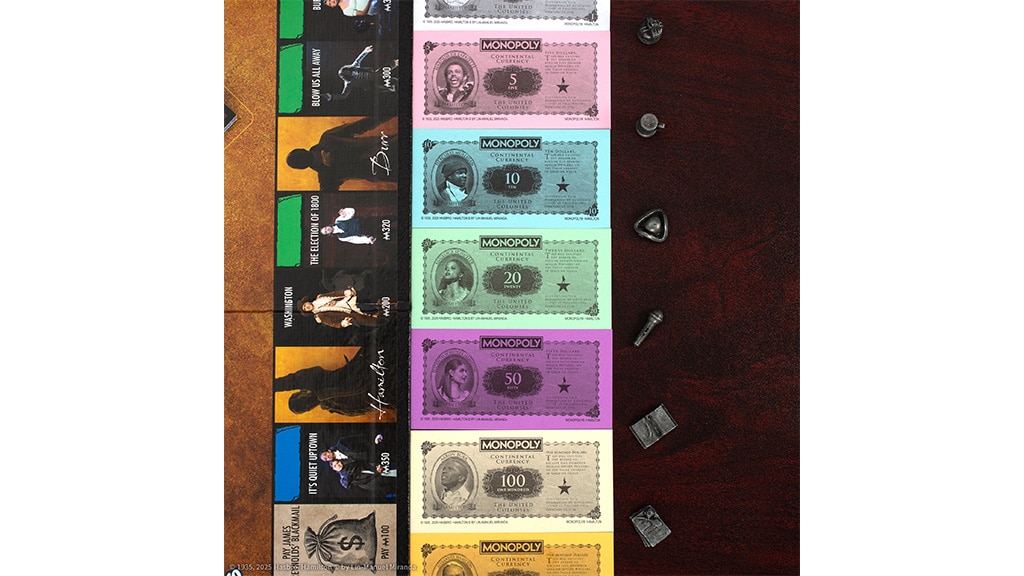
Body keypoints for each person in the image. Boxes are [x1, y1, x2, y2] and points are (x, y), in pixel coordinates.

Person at [286, 117, 395, 191]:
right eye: (298, 162)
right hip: (386, 168)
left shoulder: (328, 138)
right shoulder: (326, 178)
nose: (301, 160)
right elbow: (363, 125)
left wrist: (388, 113)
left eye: (298, 158)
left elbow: (362, 125)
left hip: (387, 150)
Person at [274, 348, 385, 416]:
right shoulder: (329, 406)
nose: (309, 405)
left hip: (365, 372)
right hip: (375, 392)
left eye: (304, 402)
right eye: (307, 408)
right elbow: (359, 409)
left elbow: (291, 381)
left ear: (303, 392)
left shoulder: (316, 381)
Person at [298, 287, 379, 328]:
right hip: (349, 311)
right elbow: (333, 324)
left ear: (307, 302)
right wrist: (344, 322)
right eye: (305, 309)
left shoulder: (320, 297)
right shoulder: (319, 316)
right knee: (369, 319)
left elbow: (334, 294)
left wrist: (347, 292)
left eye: (305, 305)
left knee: (369, 295)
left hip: (348, 300)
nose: (307, 307)